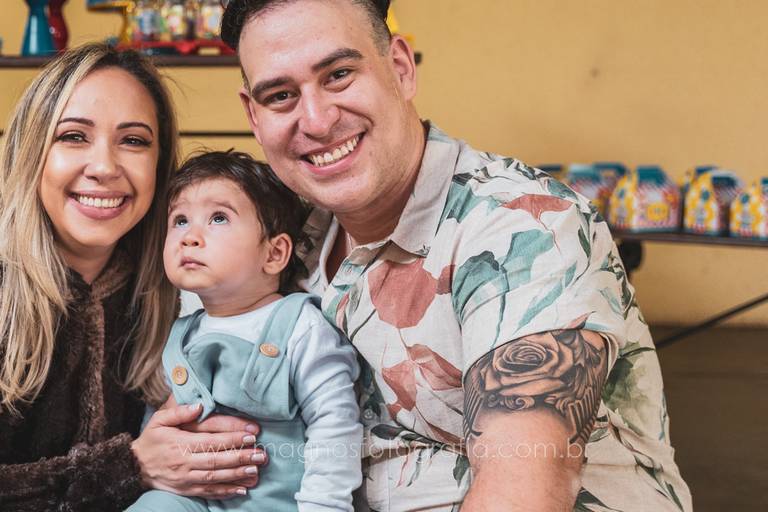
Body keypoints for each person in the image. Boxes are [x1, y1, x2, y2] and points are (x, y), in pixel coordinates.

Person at [220, 1, 693, 511]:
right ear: (253, 115)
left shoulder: (524, 226)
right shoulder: (285, 238)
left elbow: (525, 489)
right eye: (281, 96)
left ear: (401, 69)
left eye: (338, 75)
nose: (315, 120)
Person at [0, 44, 266, 511]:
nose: (105, 168)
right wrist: (129, 467)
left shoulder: (172, 293)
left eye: (134, 141)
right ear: (32, 151)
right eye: (74, 136)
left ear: (159, 166)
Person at [128, 150, 362, 512]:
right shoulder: (180, 335)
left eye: (218, 218)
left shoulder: (299, 326)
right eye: (180, 220)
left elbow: (334, 422)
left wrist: (323, 504)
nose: (190, 237)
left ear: (274, 253)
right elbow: (160, 429)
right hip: (189, 500)